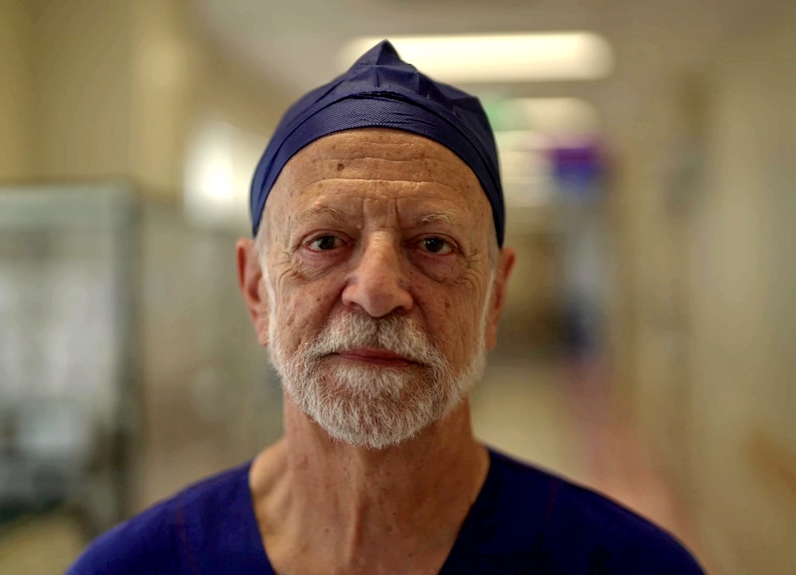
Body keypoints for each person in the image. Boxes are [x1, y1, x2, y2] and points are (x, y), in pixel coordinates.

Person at [68, 41, 704, 574]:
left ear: (495, 297)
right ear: (257, 289)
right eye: (325, 242)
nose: (375, 291)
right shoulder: (134, 567)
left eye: (434, 244)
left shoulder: (628, 564)